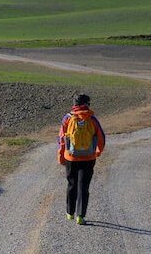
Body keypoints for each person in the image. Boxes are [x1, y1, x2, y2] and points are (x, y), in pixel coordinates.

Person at [58, 93, 106, 225]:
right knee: (84, 187)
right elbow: (101, 137)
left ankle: (70, 212)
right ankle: (80, 216)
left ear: (75, 104)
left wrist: (61, 156)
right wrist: (98, 152)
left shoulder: (67, 118)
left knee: (71, 184)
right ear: (87, 104)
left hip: (71, 158)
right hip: (88, 158)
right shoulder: (92, 119)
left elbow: (61, 139)